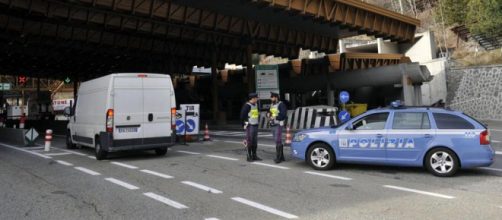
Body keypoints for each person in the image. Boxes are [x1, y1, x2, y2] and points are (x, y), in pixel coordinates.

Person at [240, 93, 262, 162]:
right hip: (250, 125)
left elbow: (255, 114)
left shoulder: (255, 105)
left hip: (255, 125)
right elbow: (242, 116)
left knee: (255, 141)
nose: (257, 99)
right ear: (253, 99)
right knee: (249, 141)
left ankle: (254, 155)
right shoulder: (247, 106)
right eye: (256, 98)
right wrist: (243, 124)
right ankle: (249, 156)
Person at [268, 92, 287, 163]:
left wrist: (274, 117)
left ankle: (278, 158)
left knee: (278, 140)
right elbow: (270, 112)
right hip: (272, 124)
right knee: (276, 141)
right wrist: (268, 115)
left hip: (278, 125)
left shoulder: (281, 104)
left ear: (276, 97)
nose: (271, 98)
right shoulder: (272, 104)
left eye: (272, 97)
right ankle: (281, 157)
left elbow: (283, 115)